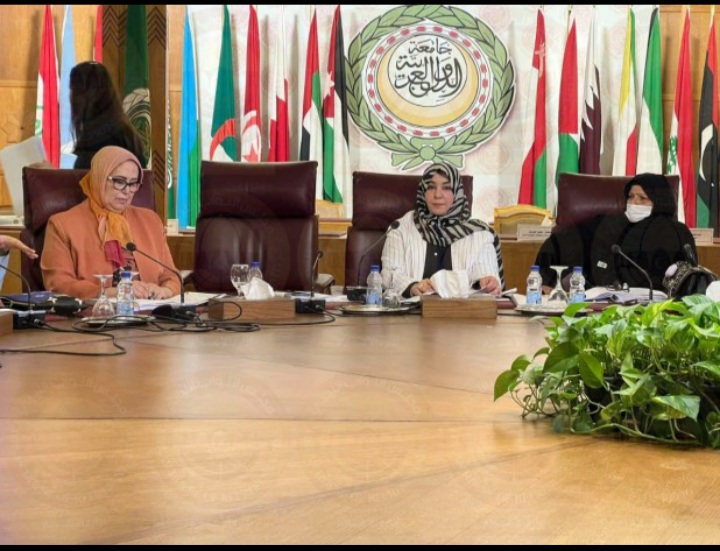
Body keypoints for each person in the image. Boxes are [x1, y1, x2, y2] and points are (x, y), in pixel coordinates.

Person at [41, 146, 179, 300]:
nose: (127, 191)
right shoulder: (62, 225)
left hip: (150, 310)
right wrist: (108, 292)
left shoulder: (151, 221)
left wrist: (165, 291)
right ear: (99, 178)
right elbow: (58, 284)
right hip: (96, 312)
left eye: (133, 183)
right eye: (119, 181)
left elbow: (172, 277)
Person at [535, 173, 696, 291]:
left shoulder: (677, 233)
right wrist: (549, 280)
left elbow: (689, 277)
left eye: (642, 198)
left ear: (660, 201)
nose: (634, 202)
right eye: (630, 196)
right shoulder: (610, 225)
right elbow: (562, 241)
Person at [381, 161, 504, 297]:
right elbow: (389, 273)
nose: (438, 194)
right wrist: (413, 286)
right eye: (431, 187)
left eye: (446, 188)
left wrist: (486, 282)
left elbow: (485, 272)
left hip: (463, 309)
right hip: (414, 309)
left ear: (457, 192)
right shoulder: (401, 228)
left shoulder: (479, 234)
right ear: (423, 191)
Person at [69, 61, 147, 169]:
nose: (70, 94)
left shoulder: (99, 140)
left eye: (72, 89)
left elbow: (87, 177)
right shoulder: (123, 132)